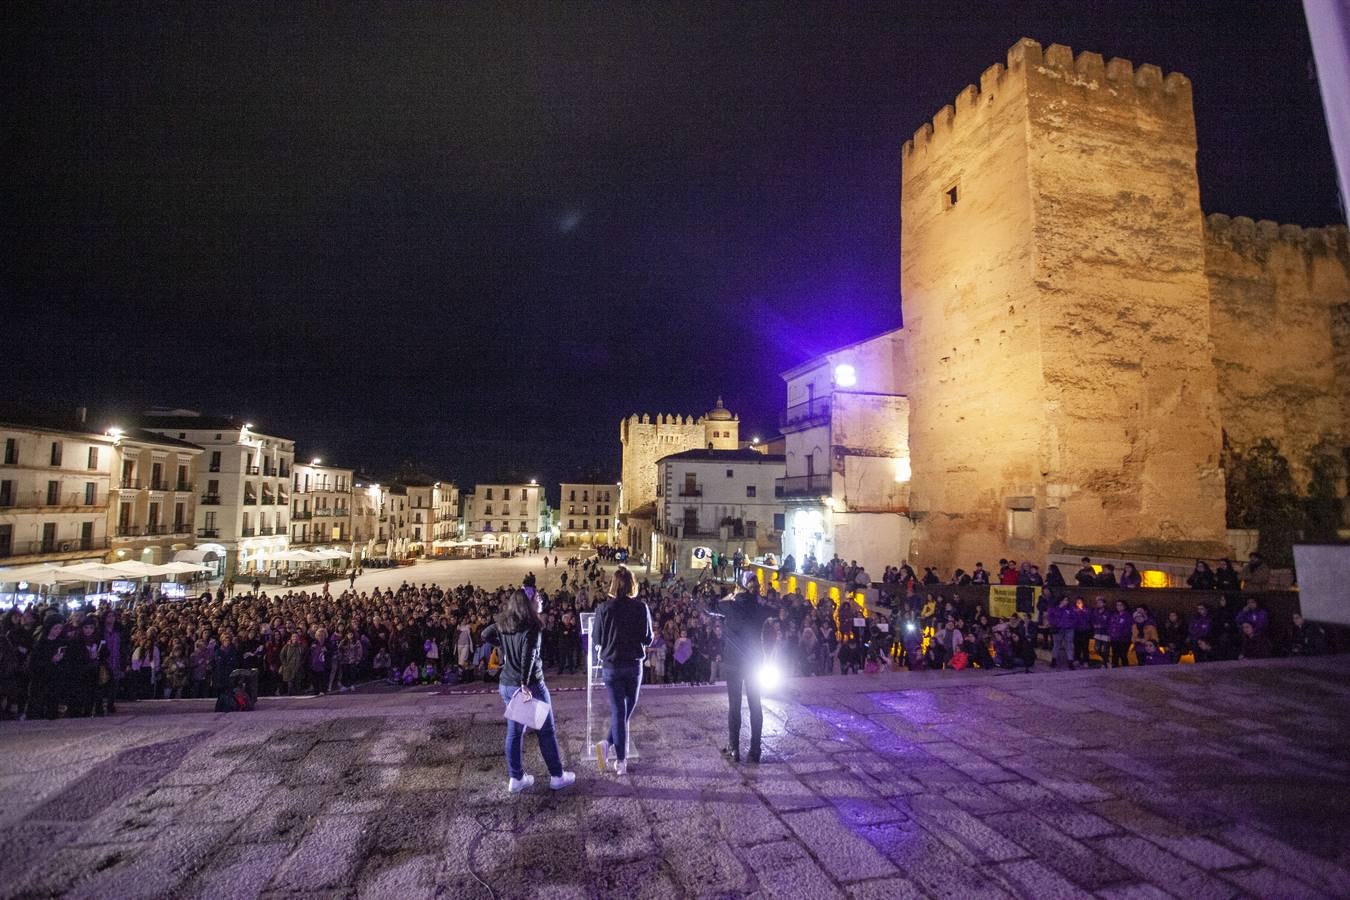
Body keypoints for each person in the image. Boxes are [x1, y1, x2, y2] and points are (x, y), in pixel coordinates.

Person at [481, 590, 575, 794]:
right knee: (546, 731)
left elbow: (485, 634)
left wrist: (505, 645)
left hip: (506, 684)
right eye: (536, 598)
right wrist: (524, 683)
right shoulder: (532, 627)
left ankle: (516, 778)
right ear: (527, 603)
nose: (540, 599)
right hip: (528, 686)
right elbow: (529, 657)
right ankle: (557, 776)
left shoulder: (505, 624)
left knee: (514, 733)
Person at [592, 566, 652, 775]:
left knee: (620, 711)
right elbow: (648, 638)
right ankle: (620, 761)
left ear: (613, 585)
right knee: (625, 710)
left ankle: (609, 746)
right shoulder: (641, 608)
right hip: (633, 666)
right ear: (632, 585)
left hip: (611, 667)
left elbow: (597, 638)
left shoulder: (603, 609)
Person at [714, 571, 775, 762]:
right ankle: (755, 751)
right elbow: (775, 611)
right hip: (754, 661)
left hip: (734, 662)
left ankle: (734, 748)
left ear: (738, 586)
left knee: (735, 706)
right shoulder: (759, 607)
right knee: (755, 705)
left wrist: (731, 595)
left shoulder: (729, 606)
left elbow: (712, 606)